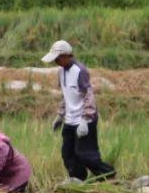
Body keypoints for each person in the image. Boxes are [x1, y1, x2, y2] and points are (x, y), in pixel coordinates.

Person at [41, 40, 115, 181]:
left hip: (83, 120)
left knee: (86, 155)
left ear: (66, 56)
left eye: (57, 58)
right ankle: (78, 180)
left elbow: (88, 95)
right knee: (67, 154)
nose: (56, 62)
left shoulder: (80, 71)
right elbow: (66, 95)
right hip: (69, 120)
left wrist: (85, 119)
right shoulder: (61, 72)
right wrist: (59, 116)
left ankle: (108, 175)